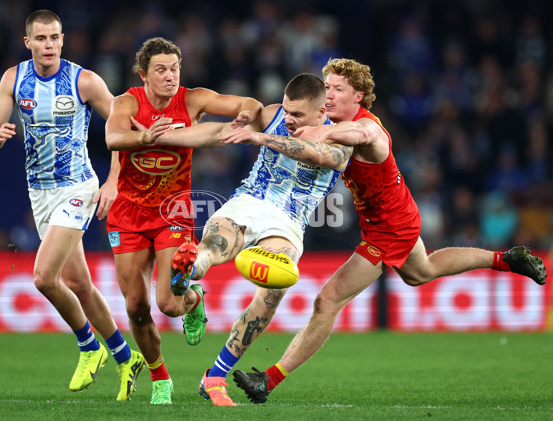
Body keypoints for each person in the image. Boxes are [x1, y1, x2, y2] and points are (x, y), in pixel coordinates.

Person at [225, 58, 547, 403]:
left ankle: (267, 382)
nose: (329, 95)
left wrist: (324, 131)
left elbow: (359, 135)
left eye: (338, 89)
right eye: (327, 87)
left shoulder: (368, 128)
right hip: (394, 215)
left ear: (359, 96)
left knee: (327, 300)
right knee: (421, 271)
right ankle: (504, 259)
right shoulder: (333, 119)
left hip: (389, 229)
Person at [143, 72, 349, 406]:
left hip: (288, 223)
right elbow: (221, 133)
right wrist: (171, 137)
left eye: (298, 115)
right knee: (215, 244)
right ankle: (193, 267)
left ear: (320, 110)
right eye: (287, 111)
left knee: (272, 294)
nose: (289, 119)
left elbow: (320, 156)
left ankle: (214, 376)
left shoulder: (341, 137)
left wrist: (261, 139)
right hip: (250, 201)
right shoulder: (271, 115)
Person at [0, 10, 144, 401]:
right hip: (40, 191)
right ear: (28, 43)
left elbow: (123, 128)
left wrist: (112, 182)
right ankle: (126, 356)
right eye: (41, 39)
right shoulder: (12, 79)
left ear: (63, 39)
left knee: (42, 277)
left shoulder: (84, 80)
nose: (49, 45)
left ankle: (90, 347)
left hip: (78, 187)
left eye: (54, 38)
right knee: (79, 285)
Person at [103, 37, 263, 404]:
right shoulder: (127, 102)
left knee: (170, 305)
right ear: (143, 74)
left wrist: (243, 115)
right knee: (134, 307)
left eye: (174, 68)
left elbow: (249, 102)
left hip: (171, 211)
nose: (170, 76)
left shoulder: (193, 99)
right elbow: (112, 137)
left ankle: (194, 299)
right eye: (161, 69)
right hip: (128, 213)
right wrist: (144, 135)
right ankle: (160, 377)